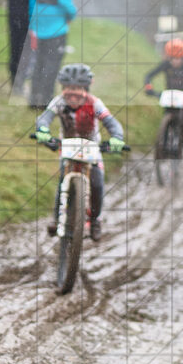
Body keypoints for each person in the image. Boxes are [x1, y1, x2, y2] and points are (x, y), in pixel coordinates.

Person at [34, 63, 124, 241]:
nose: (71, 93)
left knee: (97, 183)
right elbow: (45, 117)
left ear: (86, 89)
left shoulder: (95, 103)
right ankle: (58, 218)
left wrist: (116, 138)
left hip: (92, 148)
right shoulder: (58, 101)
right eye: (67, 88)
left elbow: (111, 123)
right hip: (67, 147)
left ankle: (95, 220)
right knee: (62, 182)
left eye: (76, 88)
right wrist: (43, 131)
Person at [27, 0, 77, 110]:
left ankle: (33, 99)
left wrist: (33, 23)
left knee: (38, 63)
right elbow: (64, 0)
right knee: (52, 65)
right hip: (57, 28)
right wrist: (72, 14)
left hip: (39, 25)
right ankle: (46, 100)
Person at [143, 39, 183, 145]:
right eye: (173, 58)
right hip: (170, 93)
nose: (176, 61)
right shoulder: (165, 64)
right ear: (169, 57)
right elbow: (149, 75)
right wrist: (149, 87)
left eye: (179, 58)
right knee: (166, 111)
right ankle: (162, 136)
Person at [2, 0, 38, 91]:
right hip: (29, 17)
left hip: (13, 16)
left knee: (14, 48)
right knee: (27, 50)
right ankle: (21, 82)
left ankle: (14, 81)